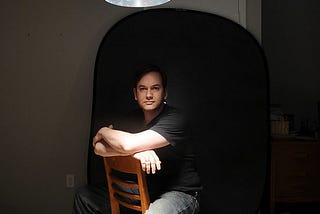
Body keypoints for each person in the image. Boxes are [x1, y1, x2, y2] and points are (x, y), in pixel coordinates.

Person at [73, 64, 202, 214]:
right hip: (145, 188)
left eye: (155, 88)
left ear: (165, 93)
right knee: (84, 197)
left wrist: (105, 132)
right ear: (135, 94)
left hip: (178, 192)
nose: (148, 94)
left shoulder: (176, 118)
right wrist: (137, 153)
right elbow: (99, 148)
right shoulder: (132, 118)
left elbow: (127, 145)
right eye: (143, 89)